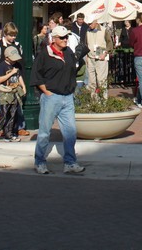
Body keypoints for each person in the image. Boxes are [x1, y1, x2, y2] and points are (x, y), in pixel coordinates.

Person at [31, 25, 87, 175]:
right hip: (52, 97)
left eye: (66, 37)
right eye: (62, 37)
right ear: (54, 39)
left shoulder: (68, 52)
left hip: (68, 97)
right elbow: (36, 75)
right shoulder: (44, 54)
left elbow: (73, 70)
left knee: (70, 131)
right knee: (44, 132)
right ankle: (39, 162)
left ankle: (70, 162)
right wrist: (46, 91)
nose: (65, 40)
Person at [0, 46, 26, 142]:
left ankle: (9, 134)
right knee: (4, 112)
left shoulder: (16, 65)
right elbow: (0, 79)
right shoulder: (2, 66)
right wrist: (11, 73)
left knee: (13, 114)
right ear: (7, 57)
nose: (15, 61)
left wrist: (23, 87)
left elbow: (19, 76)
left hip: (14, 92)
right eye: (13, 58)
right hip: (5, 92)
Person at [84, 16, 112, 97]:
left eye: (90, 23)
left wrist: (105, 53)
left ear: (96, 21)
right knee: (91, 81)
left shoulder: (103, 30)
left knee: (101, 80)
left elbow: (110, 43)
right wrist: (86, 56)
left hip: (101, 57)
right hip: (90, 57)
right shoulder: (88, 31)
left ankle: (104, 101)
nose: (89, 25)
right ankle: (94, 101)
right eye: (88, 23)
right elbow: (86, 44)